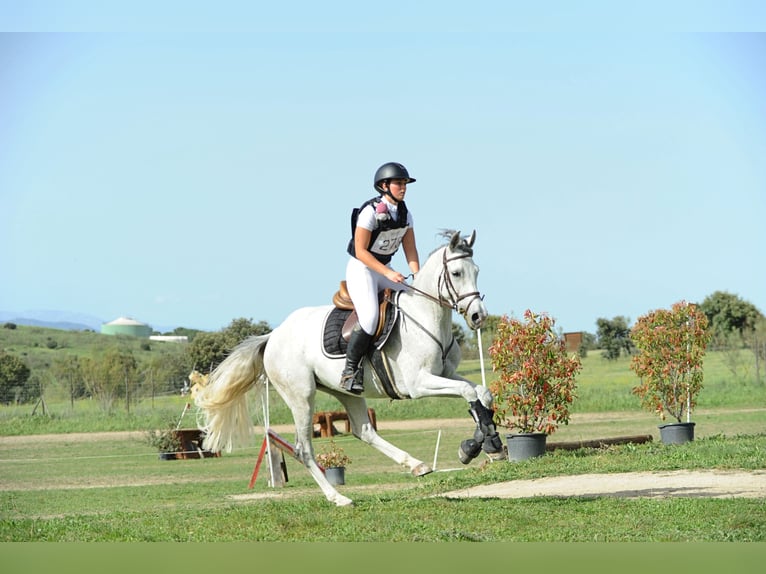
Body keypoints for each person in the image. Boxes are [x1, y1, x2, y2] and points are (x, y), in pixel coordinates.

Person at [340, 162, 421, 394]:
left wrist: (417, 276)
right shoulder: (370, 212)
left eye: (405, 183)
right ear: (384, 185)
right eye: (399, 183)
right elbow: (361, 250)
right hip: (361, 268)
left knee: (414, 299)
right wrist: (388, 273)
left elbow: (411, 250)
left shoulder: (406, 214)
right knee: (370, 317)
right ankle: (349, 371)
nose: (403, 187)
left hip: (385, 268)